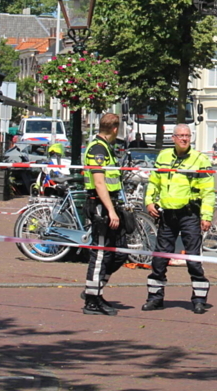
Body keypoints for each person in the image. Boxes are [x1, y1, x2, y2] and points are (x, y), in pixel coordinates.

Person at [143, 123, 215, 314]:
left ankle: (199, 299)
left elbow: (208, 191)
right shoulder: (164, 156)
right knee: (159, 259)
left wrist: (206, 216)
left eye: (187, 136)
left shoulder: (200, 159)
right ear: (173, 138)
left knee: (193, 259)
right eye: (181, 136)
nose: (184, 139)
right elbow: (154, 182)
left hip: (189, 214)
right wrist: (149, 202)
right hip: (167, 215)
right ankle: (155, 298)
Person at [81, 113, 127, 316]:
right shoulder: (98, 149)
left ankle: (94, 289)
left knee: (121, 251)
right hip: (100, 206)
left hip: (111, 204)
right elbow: (99, 182)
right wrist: (110, 210)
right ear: (115, 129)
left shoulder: (107, 148)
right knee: (100, 253)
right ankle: (92, 300)